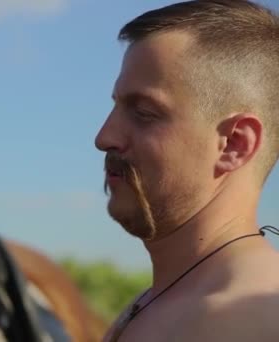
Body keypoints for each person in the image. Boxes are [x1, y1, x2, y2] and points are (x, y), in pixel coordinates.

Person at [94, 1, 279, 341]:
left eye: (144, 112)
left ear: (234, 143)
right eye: (116, 106)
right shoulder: (152, 304)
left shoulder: (247, 321)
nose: (104, 138)